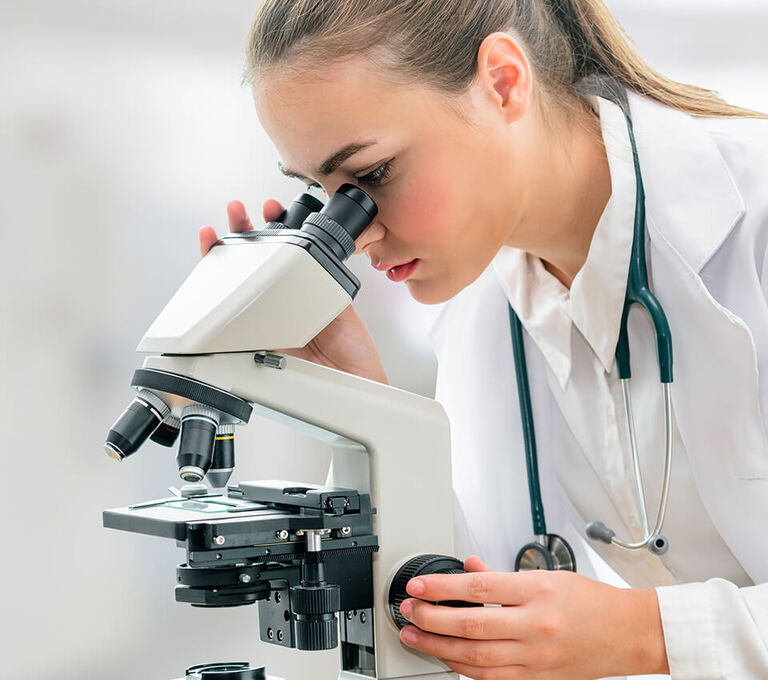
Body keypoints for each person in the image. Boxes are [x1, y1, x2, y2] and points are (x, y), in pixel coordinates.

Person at [199, 1, 768, 677]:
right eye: (322, 194)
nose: (355, 235)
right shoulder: (483, 297)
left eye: (372, 176)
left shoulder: (754, 216)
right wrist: (358, 408)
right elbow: (468, 602)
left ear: (502, 81)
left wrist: (649, 631)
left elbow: (639, 633)